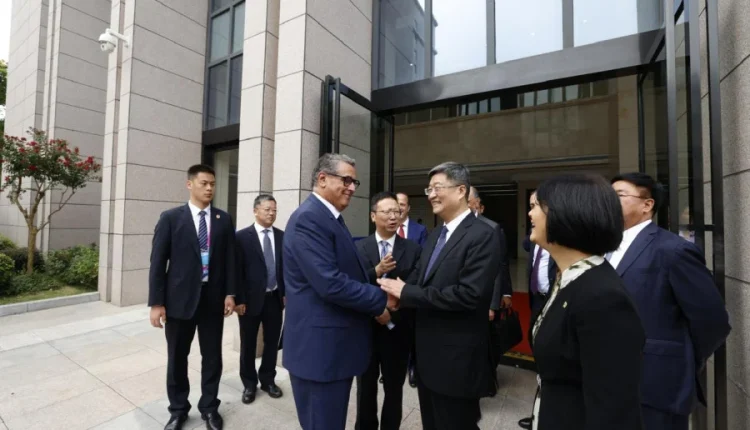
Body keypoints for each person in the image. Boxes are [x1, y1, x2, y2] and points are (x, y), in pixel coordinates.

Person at [379, 162, 500, 430]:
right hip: (427, 359)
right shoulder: (435, 235)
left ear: (460, 190)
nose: (431, 195)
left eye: (437, 188)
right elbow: (419, 275)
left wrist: (407, 292)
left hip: (456, 361)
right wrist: (398, 295)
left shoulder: (483, 235)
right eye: (429, 189)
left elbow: (468, 295)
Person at [283, 154, 397, 430]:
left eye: (354, 182)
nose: (352, 188)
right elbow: (330, 283)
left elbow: (346, 273)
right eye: (346, 180)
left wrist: (380, 282)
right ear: (322, 179)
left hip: (333, 350)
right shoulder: (309, 219)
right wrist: (382, 299)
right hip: (320, 354)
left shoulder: (330, 217)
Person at [611, 173, 730, 430]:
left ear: (647, 204)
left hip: (657, 386)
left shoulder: (673, 250)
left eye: (618, 195)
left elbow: (713, 321)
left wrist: (681, 357)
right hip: (612, 382)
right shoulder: (603, 247)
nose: (608, 201)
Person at [527, 173, 645, 430]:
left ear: (567, 213)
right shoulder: (568, 278)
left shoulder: (603, 297)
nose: (530, 214)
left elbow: (613, 410)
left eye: (537, 206)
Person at [148, 164, 237, 430]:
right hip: (178, 301)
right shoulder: (171, 218)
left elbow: (230, 260)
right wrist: (156, 303)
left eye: (213, 184)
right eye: (204, 183)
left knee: (212, 357)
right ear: (190, 185)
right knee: (177, 357)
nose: (209, 188)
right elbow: (158, 263)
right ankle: (178, 410)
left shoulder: (223, 219)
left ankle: (209, 408)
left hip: (213, 300)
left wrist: (230, 293)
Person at [354, 191, 421, 430]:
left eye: (397, 211)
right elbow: (353, 284)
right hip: (366, 329)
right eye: (387, 212)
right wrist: (376, 271)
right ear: (373, 216)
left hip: (398, 329)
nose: (393, 217)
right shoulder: (359, 248)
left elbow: (415, 285)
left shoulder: (413, 249)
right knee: (365, 387)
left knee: (394, 389)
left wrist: (392, 309)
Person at [234, 194, 285, 404]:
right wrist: (238, 300)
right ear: (256, 211)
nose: (271, 213)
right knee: (248, 344)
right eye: (267, 210)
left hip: (274, 298)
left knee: (272, 342)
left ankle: (268, 380)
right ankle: (249, 384)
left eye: (274, 210)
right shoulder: (241, 237)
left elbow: (285, 268)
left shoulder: (282, 236)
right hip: (249, 301)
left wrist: (285, 293)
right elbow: (236, 270)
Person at [395, 191, 427, 387]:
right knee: (394, 330)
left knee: (412, 329)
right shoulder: (388, 226)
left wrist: (408, 285)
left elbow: (423, 260)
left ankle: (413, 367)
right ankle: (394, 366)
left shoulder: (420, 230)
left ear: (408, 208)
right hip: (391, 289)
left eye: (402, 204)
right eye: (396, 203)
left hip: (411, 287)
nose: (399, 207)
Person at [468, 186, 513, 316]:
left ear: (477, 202)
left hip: (483, 297)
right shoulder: (453, 226)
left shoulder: (492, 228)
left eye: (467, 201)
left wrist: (493, 304)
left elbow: (499, 265)